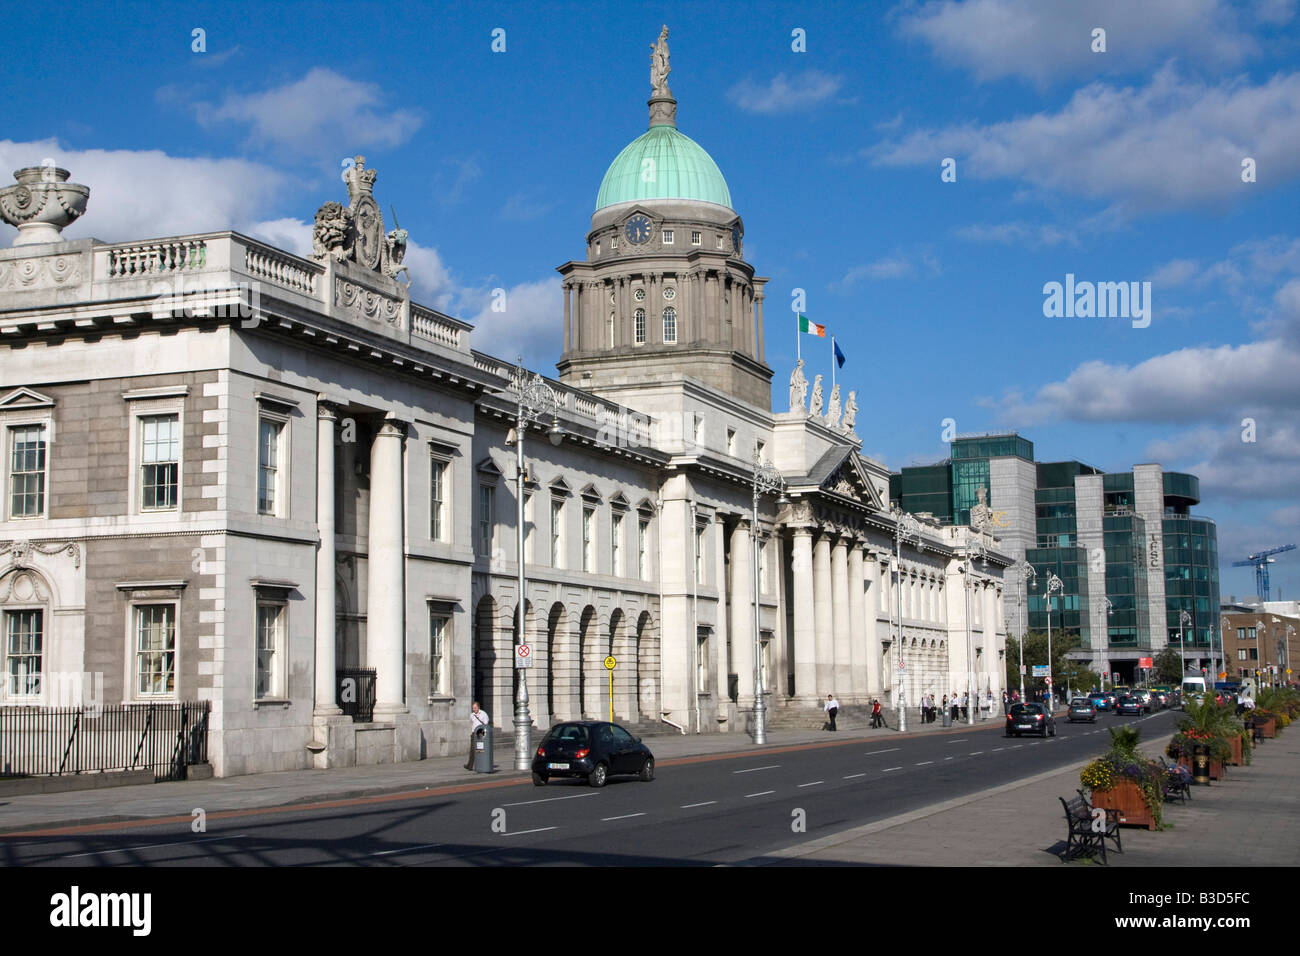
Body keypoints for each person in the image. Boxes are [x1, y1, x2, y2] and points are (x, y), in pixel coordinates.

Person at [464, 700, 490, 771]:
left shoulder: (483, 714)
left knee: (480, 749)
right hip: (474, 733)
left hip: (481, 733)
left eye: (475, 708)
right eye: (473, 708)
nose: (474, 709)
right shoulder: (472, 715)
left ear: (478, 707)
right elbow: (472, 723)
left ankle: (481, 764)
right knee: (472, 750)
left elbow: (486, 723)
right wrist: (471, 731)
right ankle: (470, 766)